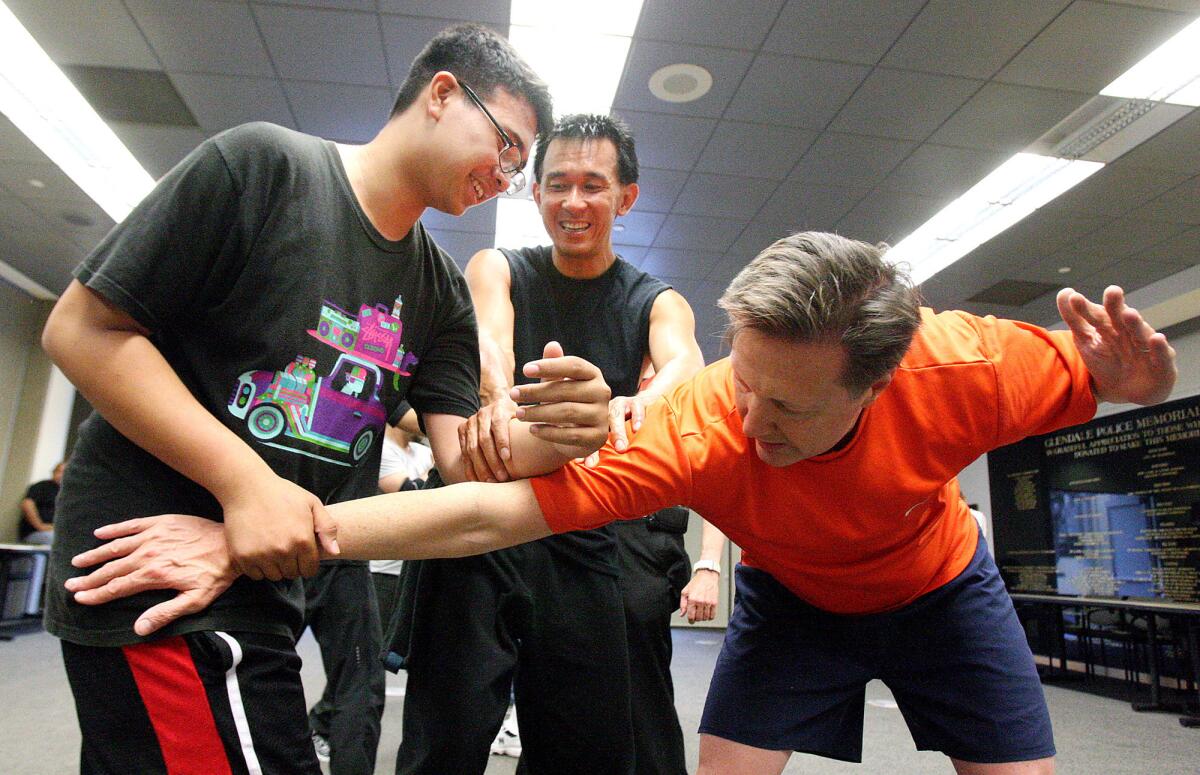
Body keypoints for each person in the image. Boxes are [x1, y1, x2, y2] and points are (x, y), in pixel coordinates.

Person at [67, 232, 1178, 775]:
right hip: (793, 600)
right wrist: (275, 530)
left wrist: (1143, 380)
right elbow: (482, 515)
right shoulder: (699, 420)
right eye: (743, 383)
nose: (751, 421)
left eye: (787, 408)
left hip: (940, 590)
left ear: (877, 384)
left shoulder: (971, 369)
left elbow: (1125, 379)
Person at [40, 24, 615, 775]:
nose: (506, 177)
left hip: (263, 583)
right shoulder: (264, 167)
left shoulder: (438, 292)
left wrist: (572, 428)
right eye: (505, 146)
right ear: (443, 94)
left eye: (517, 166)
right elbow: (80, 330)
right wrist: (244, 484)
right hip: (152, 567)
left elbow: (465, 458)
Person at [396, 112, 708, 775]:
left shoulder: (656, 300)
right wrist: (498, 393)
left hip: (599, 526)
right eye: (557, 183)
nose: (572, 202)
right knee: (446, 728)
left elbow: (684, 364)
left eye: (593, 185)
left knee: (604, 738)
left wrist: (637, 402)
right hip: (497, 517)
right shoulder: (499, 267)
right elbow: (489, 336)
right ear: (533, 192)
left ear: (626, 198)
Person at [19, 460, 63, 545]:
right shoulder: (42, 486)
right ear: (53, 472)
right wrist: (40, 526)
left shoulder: (70, 493)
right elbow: (27, 504)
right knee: (57, 540)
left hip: (58, 532)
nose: (62, 475)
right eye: (59, 471)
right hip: (36, 533)